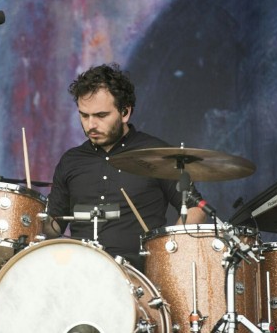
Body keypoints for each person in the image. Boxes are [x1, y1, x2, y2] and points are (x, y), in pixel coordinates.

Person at [44, 63, 206, 271]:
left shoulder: (155, 154)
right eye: (84, 115)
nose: (91, 125)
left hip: (140, 277)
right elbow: (54, 225)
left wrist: (167, 251)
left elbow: (196, 209)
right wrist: (28, 219)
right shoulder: (71, 160)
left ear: (125, 112)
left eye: (101, 115)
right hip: (79, 275)